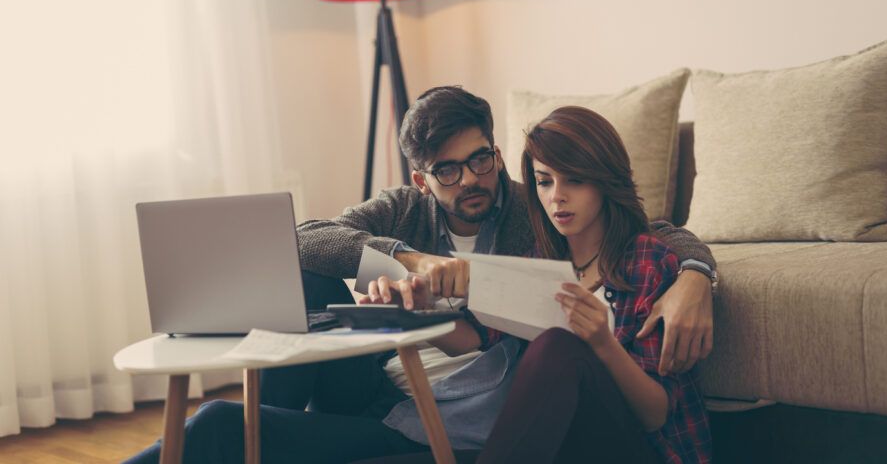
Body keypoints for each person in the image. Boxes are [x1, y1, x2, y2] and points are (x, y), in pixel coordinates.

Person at [126, 87, 717, 462]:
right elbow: (308, 237)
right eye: (449, 171)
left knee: (215, 425)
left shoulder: (532, 221)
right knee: (229, 408)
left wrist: (696, 273)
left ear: (498, 155)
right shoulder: (430, 216)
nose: (472, 180)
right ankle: (273, 429)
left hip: (482, 420)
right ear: (422, 180)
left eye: (482, 159)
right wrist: (407, 280)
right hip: (389, 398)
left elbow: (653, 233)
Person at [476, 106, 712, 463]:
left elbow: (656, 415)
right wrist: (421, 298)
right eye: (544, 181)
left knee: (558, 343)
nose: (557, 196)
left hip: (643, 451)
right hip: (563, 448)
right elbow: (480, 335)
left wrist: (602, 343)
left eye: (574, 179)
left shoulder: (650, 261)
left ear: (604, 180)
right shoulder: (537, 263)